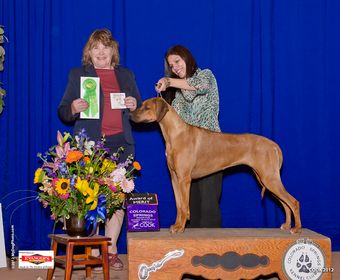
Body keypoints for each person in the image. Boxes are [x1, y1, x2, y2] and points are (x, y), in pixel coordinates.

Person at [58, 28, 142, 270]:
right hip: (91, 148)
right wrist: (73, 107)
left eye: (105, 47)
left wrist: (134, 105)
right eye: (96, 47)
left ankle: (111, 250)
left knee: (117, 201)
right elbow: (63, 111)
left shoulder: (126, 75)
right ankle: (94, 249)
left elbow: (138, 113)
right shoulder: (78, 75)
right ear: (89, 53)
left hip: (121, 146)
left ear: (113, 51)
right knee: (90, 200)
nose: (101, 52)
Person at [155, 45, 223, 228]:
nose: (175, 67)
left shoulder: (205, 75)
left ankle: (212, 254)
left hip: (211, 149)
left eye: (177, 61)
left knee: (209, 207)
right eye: (171, 65)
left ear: (187, 58)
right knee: (191, 209)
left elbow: (197, 86)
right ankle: (192, 254)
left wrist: (169, 81)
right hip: (186, 154)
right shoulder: (175, 96)